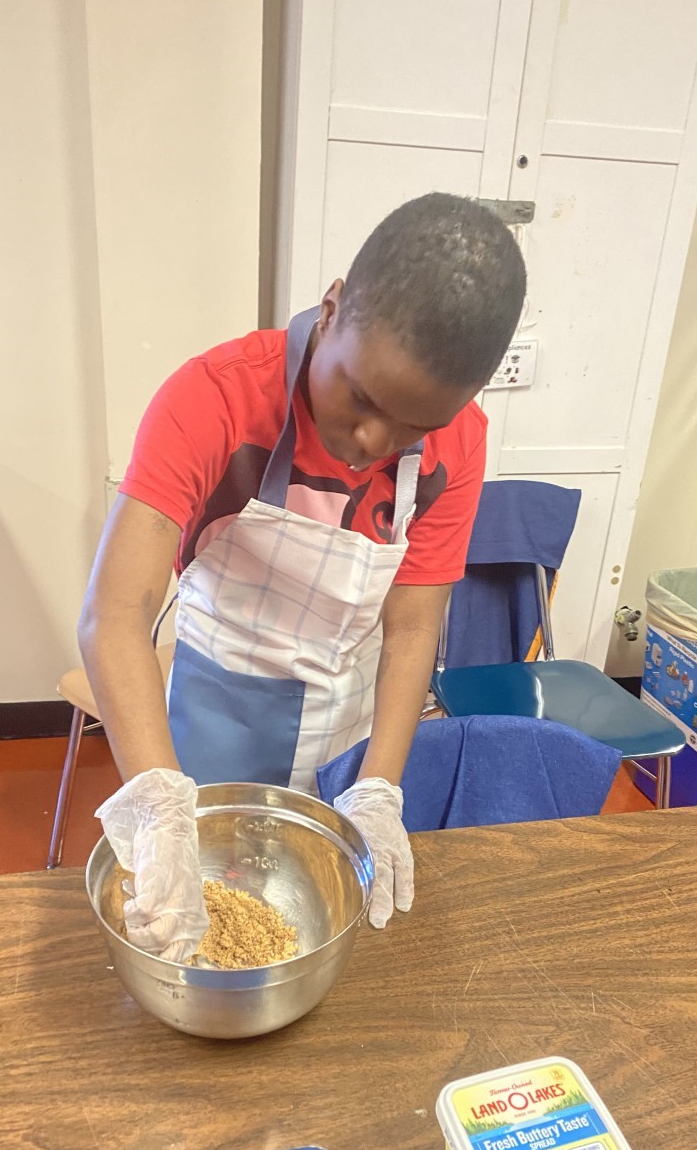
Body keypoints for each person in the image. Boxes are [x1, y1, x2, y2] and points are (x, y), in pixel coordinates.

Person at [81, 193, 526, 959]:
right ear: (332, 308)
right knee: (199, 926)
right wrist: (159, 808)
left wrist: (379, 790)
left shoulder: (462, 443)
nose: (370, 441)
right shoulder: (215, 399)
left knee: (320, 928)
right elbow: (115, 617)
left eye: (412, 427)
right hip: (218, 709)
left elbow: (414, 626)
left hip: (348, 729)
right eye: (360, 397)